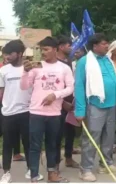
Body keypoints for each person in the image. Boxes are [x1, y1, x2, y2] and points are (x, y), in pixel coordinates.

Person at [21, 36, 74, 182]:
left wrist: (55, 95)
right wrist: (25, 72)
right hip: (36, 113)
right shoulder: (36, 66)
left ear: (55, 50)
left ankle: (52, 174)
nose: (43, 52)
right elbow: (24, 87)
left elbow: (70, 88)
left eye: (46, 49)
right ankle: (34, 176)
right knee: (35, 146)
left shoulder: (64, 68)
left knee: (52, 144)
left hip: (54, 113)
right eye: (40, 49)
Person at [75, 33, 116, 182]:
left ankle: (106, 164)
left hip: (111, 105)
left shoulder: (108, 60)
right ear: (94, 46)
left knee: (109, 136)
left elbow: (113, 81)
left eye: (107, 43)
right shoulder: (85, 61)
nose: (107, 46)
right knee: (91, 138)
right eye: (103, 43)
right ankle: (86, 169)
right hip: (95, 105)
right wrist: (80, 110)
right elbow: (79, 86)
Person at [0, 40, 43, 183]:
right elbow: (1, 92)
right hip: (8, 113)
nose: (7, 57)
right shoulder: (3, 71)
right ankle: (6, 173)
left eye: (10, 54)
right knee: (7, 144)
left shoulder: (30, 69)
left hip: (27, 111)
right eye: (5, 54)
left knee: (28, 143)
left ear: (19, 54)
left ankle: (31, 170)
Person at [55, 35, 79, 171]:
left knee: (70, 132)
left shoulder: (69, 61)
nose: (71, 48)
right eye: (69, 45)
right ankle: (56, 163)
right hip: (58, 103)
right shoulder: (54, 63)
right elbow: (53, 85)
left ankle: (69, 158)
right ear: (61, 46)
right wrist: (63, 101)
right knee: (57, 134)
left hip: (71, 102)